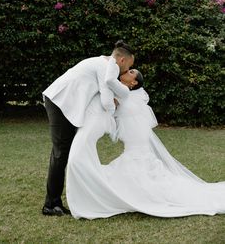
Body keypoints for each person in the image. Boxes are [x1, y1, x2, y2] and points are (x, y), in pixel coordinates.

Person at [66, 62, 225, 219]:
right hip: (136, 148)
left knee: (138, 180)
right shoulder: (133, 94)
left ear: (133, 82)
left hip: (136, 150)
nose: (127, 71)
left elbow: (108, 103)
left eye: (131, 72)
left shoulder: (125, 95)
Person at [42, 40, 134, 216]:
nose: (127, 70)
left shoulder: (101, 62)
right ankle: (50, 204)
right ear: (122, 60)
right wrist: (113, 107)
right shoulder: (109, 67)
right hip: (60, 101)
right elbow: (106, 99)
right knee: (61, 152)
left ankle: (55, 201)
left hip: (63, 104)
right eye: (130, 65)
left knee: (62, 152)